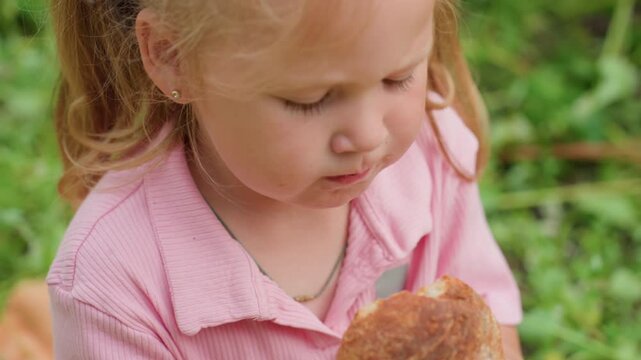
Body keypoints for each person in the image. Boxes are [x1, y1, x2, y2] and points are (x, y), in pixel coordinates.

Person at [46, 0, 524, 358]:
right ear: (174, 57)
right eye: (310, 99)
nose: (367, 135)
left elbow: (490, 323)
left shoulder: (428, 155)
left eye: (397, 78)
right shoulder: (114, 282)